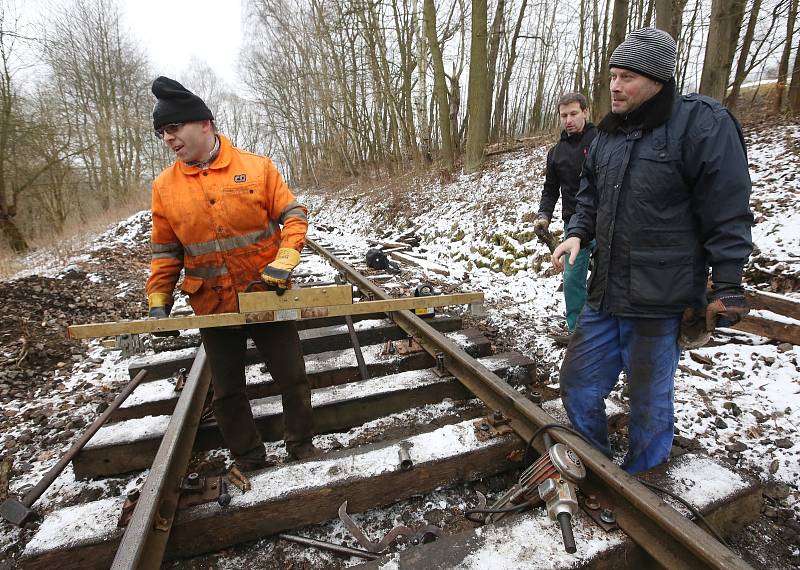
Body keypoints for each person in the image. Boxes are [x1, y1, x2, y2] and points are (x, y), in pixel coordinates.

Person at [551, 28, 753, 474]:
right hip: (605, 294)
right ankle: (598, 465)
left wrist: (729, 283)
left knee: (648, 401)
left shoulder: (701, 124)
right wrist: (577, 232)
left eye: (627, 78)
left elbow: (727, 210)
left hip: (661, 300)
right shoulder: (606, 134)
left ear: (658, 80)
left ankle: (646, 481)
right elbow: (590, 195)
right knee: (578, 384)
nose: (615, 87)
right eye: (612, 77)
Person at [145, 76, 319, 470]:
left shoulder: (256, 168)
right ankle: (250, 457)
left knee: (292, 378)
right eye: (161, 133)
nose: (168, 139)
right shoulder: (164, 187)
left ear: (204, 123)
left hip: (266, 292)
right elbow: (165, 251)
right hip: (212, 302)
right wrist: (159, 301)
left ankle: (302, 446)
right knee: (226, 391)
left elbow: (292, 214)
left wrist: (287, 257)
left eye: (174, 128)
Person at [535, 93, 597, 343]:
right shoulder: (556, 153)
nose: (569, 120)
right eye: (564, 115)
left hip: (605, 220)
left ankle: (606, 330)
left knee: (608, 279)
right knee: (572, 279)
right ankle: (577, 331)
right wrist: (543, 216)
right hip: (573, 224)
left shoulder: (601, 140)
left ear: (586, 112)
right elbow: (550, 190)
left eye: (574, 114)